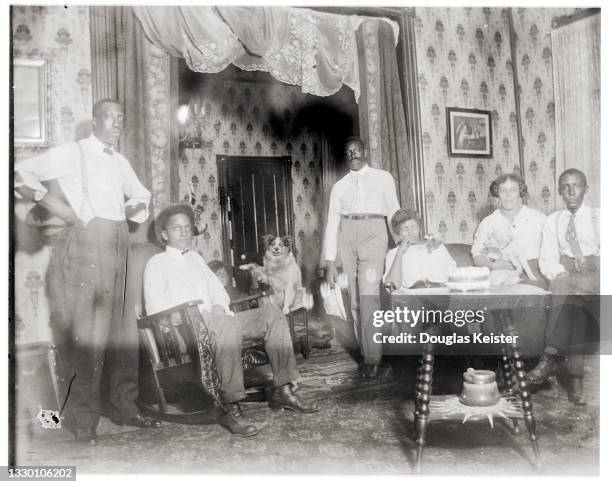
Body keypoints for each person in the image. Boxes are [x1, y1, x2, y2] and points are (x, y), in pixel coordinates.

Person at [14, 98, 159, 446]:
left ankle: (125, 407)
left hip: (118, 243)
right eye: (110, 117)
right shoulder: (72, 152)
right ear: (94, 122)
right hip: (84, 248)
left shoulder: (119, 160)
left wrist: (128, 210)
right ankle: (83, 419)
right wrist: (60, 207)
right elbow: (19, 173)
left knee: (123, 330)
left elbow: (142, 194)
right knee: (87, 337)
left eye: (121, 118)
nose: (117, 123)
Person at [143, 204, 318, 437]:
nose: (185, 233)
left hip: (218, 320)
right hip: (186, 329)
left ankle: (283, 390)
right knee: (225, 324)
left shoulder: (195, 259)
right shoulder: (156, 264)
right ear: (165, 234)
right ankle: (231, 405)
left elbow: (219, 292)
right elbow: (155, 305)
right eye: (177, 228)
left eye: (188, 227)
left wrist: (217, 306)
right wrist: (194, 314)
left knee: (273, 315)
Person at [323, 137, 400, 380]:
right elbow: (332, 223)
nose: (353, 155)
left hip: (375, 233)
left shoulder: (383, 177)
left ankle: (372, 359)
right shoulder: (339, 186)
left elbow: (394, 212)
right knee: (355, 300)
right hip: (347, 235)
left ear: (365, 152)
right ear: (345, 156)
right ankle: (366, 352)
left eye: (357, 150)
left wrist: (402, 243)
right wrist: (329, 261)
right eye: (348, 152)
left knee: (369, 296)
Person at [527, 169, 600, 405]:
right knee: (570, 296)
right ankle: (575, 378)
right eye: (565, 187)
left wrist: (592, 262)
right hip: (567, 275)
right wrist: (561, 273)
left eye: (576, 185)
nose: (571, 191)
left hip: (596, 275)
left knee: (570, 291)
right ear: (559, 191)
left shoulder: (600, 217)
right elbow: (547, 259)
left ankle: (548, 358)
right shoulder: (553, 221)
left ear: (585, 188)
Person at [472, 174, 546, 284]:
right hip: (502, 274)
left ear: (520, 192)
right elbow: (477, 254)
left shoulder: (538, 218)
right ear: (497, 193)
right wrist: (492, 265)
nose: (508, 195)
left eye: (513, 190)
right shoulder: (489, 222)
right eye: (503, 191)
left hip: (534, 273)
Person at [384, 209, 456, 290]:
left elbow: (454, 275)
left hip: (440, 295)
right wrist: (400, 253)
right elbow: (392, 287)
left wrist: (437, 250)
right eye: (405, 229)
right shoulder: (393, 253)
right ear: (398, 233)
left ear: (419, 227)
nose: (411, 232)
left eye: (414, 227)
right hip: (412, 299)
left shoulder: (434, 245)